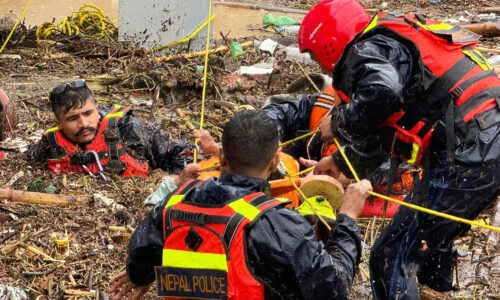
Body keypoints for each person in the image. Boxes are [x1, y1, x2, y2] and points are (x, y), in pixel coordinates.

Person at [299, 0, 500, 298]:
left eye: (316, 57)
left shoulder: (364, 50)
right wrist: (342, 163)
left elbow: (384, 93)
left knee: (388, 256)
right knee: (430, 240)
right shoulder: (389, 39)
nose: (320, 66)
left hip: (472, 146)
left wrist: (338, 122)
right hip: (484, 134)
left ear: (329, 44)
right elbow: (391, 126)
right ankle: (435, 291)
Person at [108, 110, 373, 299]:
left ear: (221, 155)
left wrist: (141, 277)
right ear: (274, 162)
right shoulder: (274, 223)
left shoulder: (175, 201)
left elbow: (141, 249)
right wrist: (348, 217)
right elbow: (333, 287)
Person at [27, 80, 198, 179]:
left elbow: (186, 151)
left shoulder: (130, 130)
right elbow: (27, 158)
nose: (84, 123)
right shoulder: (50, 145)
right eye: (73, 118)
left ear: (97, 108)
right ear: (59, 122)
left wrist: (175, 179)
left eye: (88, 113)